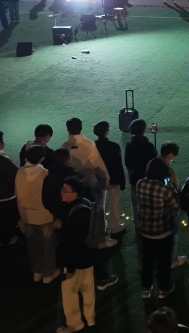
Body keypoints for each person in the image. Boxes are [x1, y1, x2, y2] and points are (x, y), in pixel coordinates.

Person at [57, 176, 97, 333]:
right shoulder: (86, 203)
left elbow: (73, 244)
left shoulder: (74, 213)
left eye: (65, 190)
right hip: (89, 257)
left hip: (76, 261)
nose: (61, 192)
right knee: (88, 289)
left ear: (74, 193)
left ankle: (75, 323)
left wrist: (70, 268)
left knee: (70, 292)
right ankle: (90, 318)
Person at [16, 146, 60, 284]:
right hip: (44, 215)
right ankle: (48, 273)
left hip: (27, 214)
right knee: (47, 244)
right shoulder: (44, 173)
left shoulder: (19, 172)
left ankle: (37, 271)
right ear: (42, 158)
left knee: (33, 244)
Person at [136, 157, 180, 299]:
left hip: (146, 231)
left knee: (147, 261)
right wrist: (171, 185)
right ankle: (163, 288)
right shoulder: (165, 189)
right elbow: (176, 204)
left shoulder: (140, 184)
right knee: (163, 262)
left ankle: (146, 288)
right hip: (163, 231)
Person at [93, 120, 125, 235]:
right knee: (114, 203)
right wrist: (122, 181)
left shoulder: (92, 146)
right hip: (113, 179)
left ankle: (101, 226)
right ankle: (115, 226)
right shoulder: (114, 146)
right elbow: (118, 165)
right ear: (106, 132)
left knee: (99, 204)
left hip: (98, 179)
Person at [124, 119, 158, 227]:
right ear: (143, 130)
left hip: (134, 177)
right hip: (147, 177)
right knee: (149, 200)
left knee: (135, 201)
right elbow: (154, 160)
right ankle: (148, 220)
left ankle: (136, 222)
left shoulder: (129, 145)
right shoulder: (148, 145)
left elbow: (127, 162)